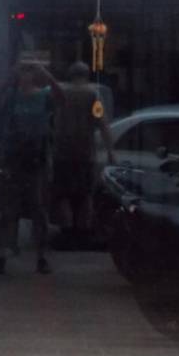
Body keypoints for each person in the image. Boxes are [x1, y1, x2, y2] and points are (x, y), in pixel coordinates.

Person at [0, 61, 62, 275]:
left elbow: (61, 98)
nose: (26, 74)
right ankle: (3, 255)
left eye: (30, 70)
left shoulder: (43, 95)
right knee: (8, 210)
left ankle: (41, 256)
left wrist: (47, 74)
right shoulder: (13, 96)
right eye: (23, 70)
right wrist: (10, 76)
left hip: (36, 159)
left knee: (38, 209)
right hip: (14, 159)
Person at [52, 61, 114, 249]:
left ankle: (67, 232)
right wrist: (110, 151)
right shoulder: (92, 94)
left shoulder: (60, 92)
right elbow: (102, 123)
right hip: (85, 152)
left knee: (63, 194)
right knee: (86, 194)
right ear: (86, 75)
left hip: (62, 151)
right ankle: (83, 233)